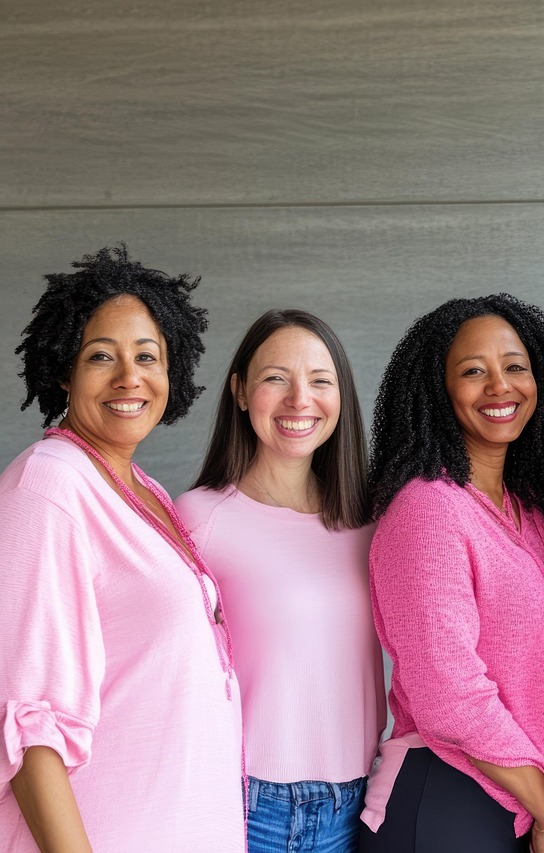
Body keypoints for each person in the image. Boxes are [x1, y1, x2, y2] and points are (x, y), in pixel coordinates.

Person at [0, 246, 242, 850]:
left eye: (147, 357)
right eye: (101, 356)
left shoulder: (143, 488)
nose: (129, 377)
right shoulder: (50, 484)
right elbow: (27, 720)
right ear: (63, 371)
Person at [359, 294, 544, 853]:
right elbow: (449, 695)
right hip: (449, 796)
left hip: (515, 800)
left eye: (515, 367)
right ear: (439, 393)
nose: (500, 386)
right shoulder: (427, 509)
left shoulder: (540, 512)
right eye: (473, 371)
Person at [177, 309, 385, 852]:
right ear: (240, 392)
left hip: (361, 799)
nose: (300, 400)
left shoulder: (374, 524)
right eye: (276, 378)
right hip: (246, 800)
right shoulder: (199, 519)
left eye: (320, 381)